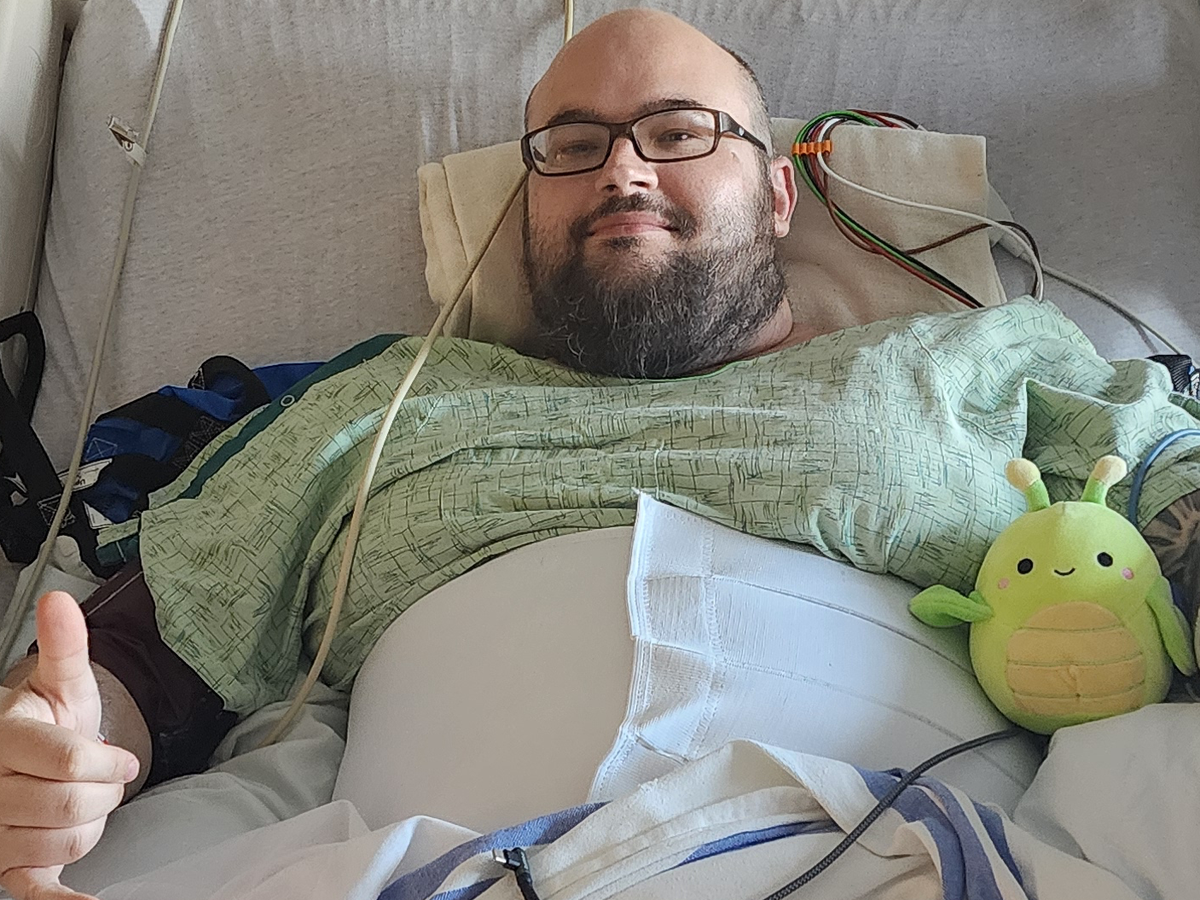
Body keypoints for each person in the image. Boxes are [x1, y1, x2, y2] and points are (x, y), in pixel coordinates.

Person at [2, 9, 1200, 899]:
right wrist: (55, 751)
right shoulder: (383, 401)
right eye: (570, 144)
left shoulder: (965, 359)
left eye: (678, 132)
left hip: (920, 859)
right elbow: (160, 642)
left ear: (779, 193)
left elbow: (1172, 492)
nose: (622, 168)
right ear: (525, 207)